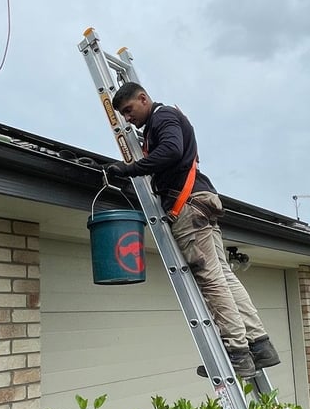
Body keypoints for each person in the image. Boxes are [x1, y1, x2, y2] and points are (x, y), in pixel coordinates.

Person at [105, 82, 281, 378]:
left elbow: (172, 150)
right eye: (122, 114)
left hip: (187, 205)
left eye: (129, 110)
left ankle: (237, 352)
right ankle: (260, 345)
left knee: (211, 280)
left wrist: (130, 169)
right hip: (200, 201)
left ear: (143, 99)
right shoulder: (161, 122)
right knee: (223, 275)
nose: (127, 118)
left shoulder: (162, 117)